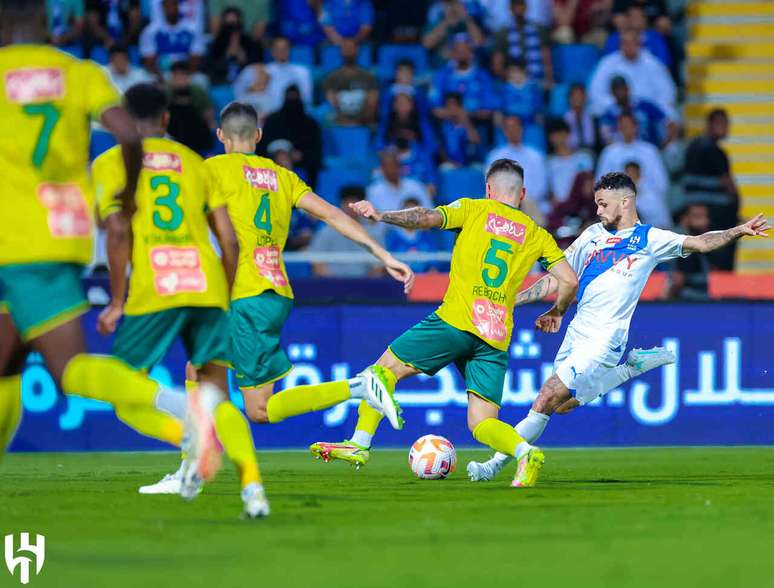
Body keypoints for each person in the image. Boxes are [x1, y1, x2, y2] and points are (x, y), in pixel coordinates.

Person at [0, 1, 213, 478]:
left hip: (11, 240)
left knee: (70, 370)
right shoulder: (79, 73)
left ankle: (179, 410)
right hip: (54, 238)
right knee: (7, 362)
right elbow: (127, 135)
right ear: (47, 27)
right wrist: (129, 195)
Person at [144, 103, 413, 462]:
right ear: (258, 135)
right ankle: (195, 467)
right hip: (275, 293)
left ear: (220, 135)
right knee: (227, 388)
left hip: (239, 292)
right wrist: (384, 255)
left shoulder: (210, 169)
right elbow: (332, 214)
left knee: (230, 389)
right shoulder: (282, 176)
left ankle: (360, 386)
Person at [467, 172, 769, 483]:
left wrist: (739, 230)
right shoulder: (591, 236)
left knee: (546, 395)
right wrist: (511, 301)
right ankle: (631, 368)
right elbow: (557, 277)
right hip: (577, 332)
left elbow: (701, 243)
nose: (597, 210)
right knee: (561, 406)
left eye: (602, 204)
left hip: (605, 338)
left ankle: (495, 465)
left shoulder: (650, 239)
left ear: (624, 202)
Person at [310, 159, 579, 486]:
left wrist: (381, 216)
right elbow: (569, 280)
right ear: (522, 193)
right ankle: (524, 452)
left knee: (380, 372)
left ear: (488, 189)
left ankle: (358, 444)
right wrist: (557, 312)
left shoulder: (474, 209)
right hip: (493, 338)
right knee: (481, 423)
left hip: (455, 320)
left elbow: (424, 217)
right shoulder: (538, 235)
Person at [92, 83, 267, 518]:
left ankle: (190, 435)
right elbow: (229, 241)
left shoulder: (110, 162)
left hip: (156, 285)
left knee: (122, 392)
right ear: (166, 119)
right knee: (216, 393)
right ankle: (252, 489)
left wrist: (117, 300)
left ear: (122, 119)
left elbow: (117, 230)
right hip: (206, 283)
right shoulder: (195, 163)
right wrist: (223, 297)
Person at [682, 108, 740, 270]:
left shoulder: (692, 146)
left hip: (700, 215)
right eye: (723, 123)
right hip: (715, 217)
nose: (727, 127)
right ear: (711, 124)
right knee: (718, 258)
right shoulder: (714, 151)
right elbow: (728, 186)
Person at [596, 113, 670, 228]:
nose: (626, 129)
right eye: (623, 126)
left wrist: (640, 188)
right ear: (618, 128)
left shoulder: (650, 151)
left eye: (629, 125)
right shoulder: (610, 153)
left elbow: (661, 184)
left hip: (648, 198)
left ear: (636, 127)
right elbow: (601, 185)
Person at [588, 28, 675, 117]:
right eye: (625, 43)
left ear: (639, 44)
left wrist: (652, 109)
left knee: (671, 115)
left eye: (632, 43)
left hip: (648, 113)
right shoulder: (607, 63)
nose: (628, 46)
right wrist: (618, 107)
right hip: (616, 113)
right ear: (620, 45)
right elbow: (596, 92)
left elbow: (667, 93)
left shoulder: (653, 63)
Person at [310, 187, 387, 278]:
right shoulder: (326, 232)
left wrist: (365, 285)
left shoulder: (374, 233)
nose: (351, 208)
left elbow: (380, 265)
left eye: (355, 203)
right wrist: (337, 285)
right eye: (347, 203)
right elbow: (317, 264)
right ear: (341, 204)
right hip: (332, 285)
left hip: (366, 286)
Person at [258, 85, 323, 187]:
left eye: (295, 97)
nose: (292, 100)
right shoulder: (272, 121)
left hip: (303, 162)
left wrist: (301, 155)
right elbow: (261, 147)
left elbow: (316, 149)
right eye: (289, 97)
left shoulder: (310, 123)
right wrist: (276, 154)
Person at [485, 115, 548, 212]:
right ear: (504, 131)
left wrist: (520, 199)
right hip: (502, 203)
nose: (512, 131)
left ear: (522, 129)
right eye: (509, 128)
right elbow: (490, 183)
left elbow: (540, 187)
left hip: (530, 202)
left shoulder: (536, 156)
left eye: (515, 127)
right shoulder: (495, 155)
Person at [599, 76, 673, 147]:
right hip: (622, 152)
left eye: (622, 89)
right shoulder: (608, 114)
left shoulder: (645, 105)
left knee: (672, 149)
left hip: (649, 149)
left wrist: (665, 144)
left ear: (628, 88)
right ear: (611, 92)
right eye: (616, 90)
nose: (619, 92)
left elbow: (668, 123)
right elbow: (605, 138)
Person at [139, 0, 206, 78]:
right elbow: (149, 61)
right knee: (145, 79)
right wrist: (162, 78)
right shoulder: (150, 31)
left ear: (178, 6)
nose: (171, 9)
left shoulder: (192, 30)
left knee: (201, 80)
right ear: (162, 7)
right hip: (161, 75)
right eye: (167, 6)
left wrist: (183, 77)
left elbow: (196, 59)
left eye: (174, 5)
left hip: (187, 74)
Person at [494, 0, 554, 87]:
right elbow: (497, 65)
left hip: (537, 82)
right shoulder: (503, 33)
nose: (518, 9)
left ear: (526, 8)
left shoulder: (539, 29)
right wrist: (511, 78)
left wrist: (549, 79)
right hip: (512, 84)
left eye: (521, 5)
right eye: (515, 6)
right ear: (510, 9)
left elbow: (546, 58)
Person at [322, 38, 379, 126]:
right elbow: (332, 104)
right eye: (346, 48)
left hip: (363, 122)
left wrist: (359, 121)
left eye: (351, 48)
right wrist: (344, 121)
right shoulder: (332, 77)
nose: (348, 51)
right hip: (339, 121)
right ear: (341, 52)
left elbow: (372, 104)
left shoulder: (368, 77)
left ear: (357, 51)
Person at [385, 197, 445, 274]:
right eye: (408, 213)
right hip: (398, 279)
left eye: (415, 214)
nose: (411, 218)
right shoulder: (392, 236)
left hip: (424, 280)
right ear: (400, 214)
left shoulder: (427, 236)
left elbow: (434, 264)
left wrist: (432, 270)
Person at [206, 6, 262, 86]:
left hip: (245, 85)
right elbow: (209, 68)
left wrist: (243, 59)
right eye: (229, 22)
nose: (232, 25)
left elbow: (256, 67)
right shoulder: (216, 44)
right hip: (220, 82)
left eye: (234, 22)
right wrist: (227, 56)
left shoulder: (250, 42)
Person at [665, 204, 711, 301]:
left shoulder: (696, 239)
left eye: (706, 216)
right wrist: (665, 302)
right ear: (685, 218)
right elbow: (678, 278)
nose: (705, 221)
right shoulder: (684, 243)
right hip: (688, 302)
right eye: (698, 217)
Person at [367, 148, 433, 211]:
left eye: (394, 165)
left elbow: (430, 211)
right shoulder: (373, 191)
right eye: (388, 166)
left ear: (399, 166)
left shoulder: (416, 186)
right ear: (382, 168)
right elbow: (371, 220)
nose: (392, 169)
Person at [546, 118, 594, 204]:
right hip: (559, 206)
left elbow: (589, 185)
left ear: (568, 135)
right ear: (550, 138)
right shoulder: (549, 162)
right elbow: (549, 189)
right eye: (555, 136)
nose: (559, 138)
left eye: (561, 134)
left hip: (581, 204)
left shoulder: (584, 157)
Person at [264, 36, 314, 112]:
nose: (281, 51)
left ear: (289, 50)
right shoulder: (264, 70)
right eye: (277, 48)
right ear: (272, 51)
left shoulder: (302, 71)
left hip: (294, 112)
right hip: (269, 113)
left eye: (284, 48)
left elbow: (307, 97)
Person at [563, 83, 597, 152]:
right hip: (571, 153)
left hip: (591, 151)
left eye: (580, 95)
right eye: (574, 95)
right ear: (569, 98)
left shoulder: (594, 117)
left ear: (585, 98)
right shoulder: (564, 120)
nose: (577, 98)